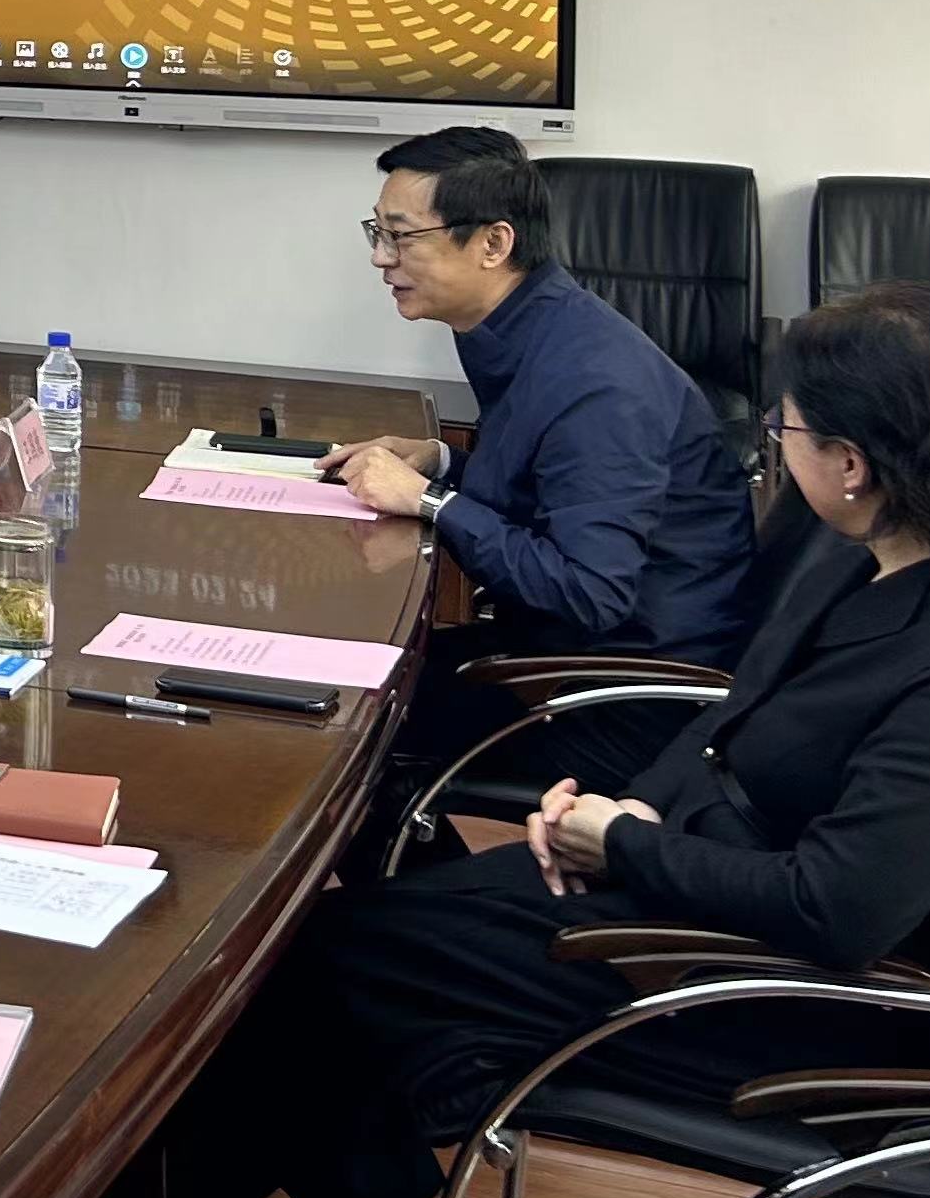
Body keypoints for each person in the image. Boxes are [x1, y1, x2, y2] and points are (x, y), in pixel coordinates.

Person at [158, 281, 930, 1198]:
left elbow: (834, 910)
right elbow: (733, 707)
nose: (777, 446)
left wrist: (627, 843)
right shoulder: (881, 552)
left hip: (760, 993)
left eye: (787, 430)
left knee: (318, 964)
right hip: (683, 880)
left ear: (854, 464)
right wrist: (637, 803)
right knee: (325, 943)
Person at [320, 125, 759, 801]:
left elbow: (589, 590)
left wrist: (429, 501)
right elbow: (547, 487)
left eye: (401, 237)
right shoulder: (526, 324)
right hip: (559, 652)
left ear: (494, 244)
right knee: (345, 677)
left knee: (344, 731)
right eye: (377, 232)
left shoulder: (596, 382)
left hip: (621, 693)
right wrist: (442, 462)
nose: (382, 258)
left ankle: (406, 867)